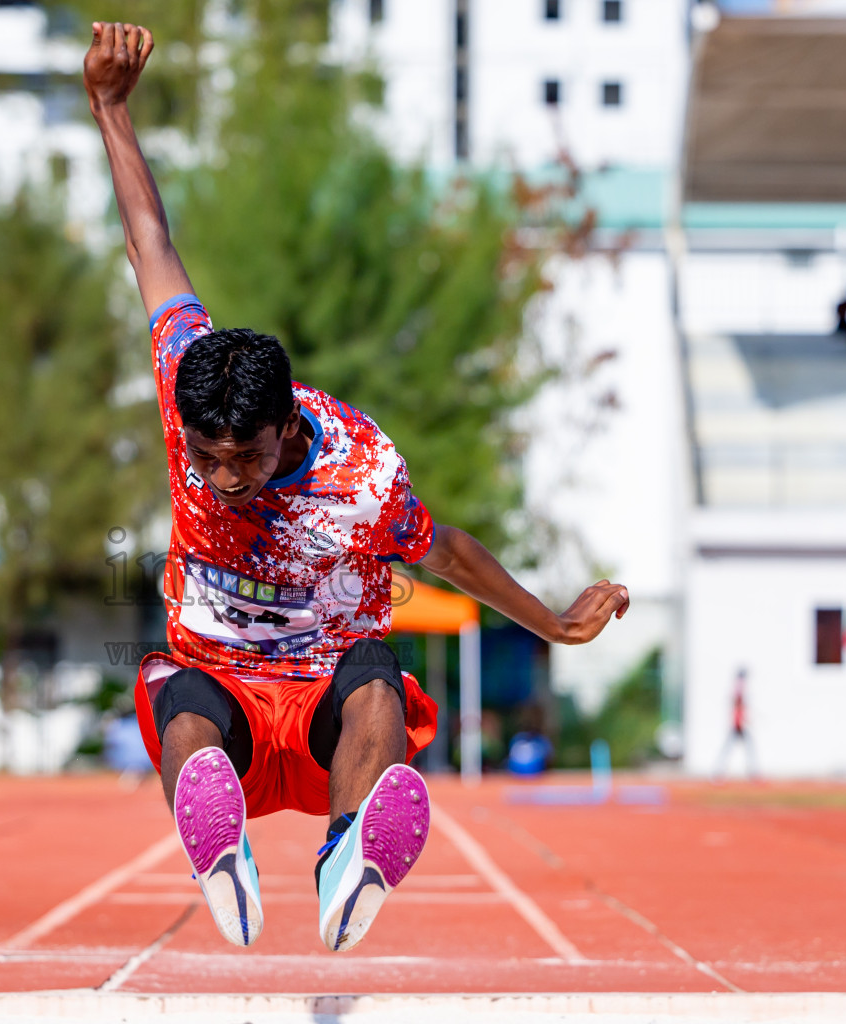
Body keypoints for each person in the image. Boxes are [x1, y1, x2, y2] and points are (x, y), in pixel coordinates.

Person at [84, 22, 629, 953]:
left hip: (327, 694)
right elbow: (149, 241)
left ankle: (348, 857)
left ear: (287, 428)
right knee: (180, 697)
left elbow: (446, 551)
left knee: (376, 673)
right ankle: (219, 857)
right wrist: (110, 106)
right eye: (206, 459)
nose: (223, 480)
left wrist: (554, 622)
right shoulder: (191, 373)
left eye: (245, 460)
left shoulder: (360, 474)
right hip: (222, 681)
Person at [713, 667, 758, 781]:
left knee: (734, 748)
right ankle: (720, 772)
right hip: (738, 724)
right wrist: (743, 719)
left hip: (738, 723)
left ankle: (719, 772)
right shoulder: (739, 687)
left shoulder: (738, 687)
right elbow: (738, 703)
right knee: (743, 748)